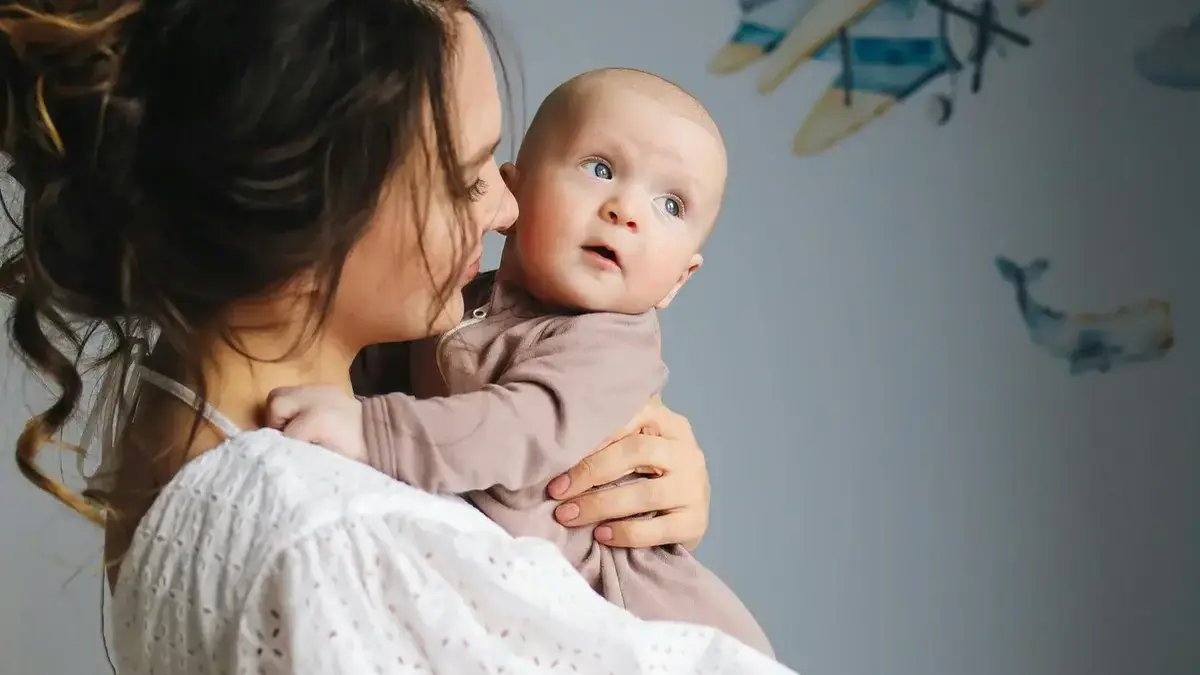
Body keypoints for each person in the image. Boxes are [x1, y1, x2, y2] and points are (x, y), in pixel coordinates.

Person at [0, 1, 797, 673]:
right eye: (469, 175)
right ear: (314, 218)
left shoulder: (179, 417)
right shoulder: (334, 540)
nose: (506, 210)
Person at [265, 67, 774, 656]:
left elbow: (515, 429)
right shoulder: (461, 301)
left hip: (637, 624)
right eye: (600, 168)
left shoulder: (608, 347)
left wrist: (369, 429)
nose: (627, 209)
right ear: (515, 193)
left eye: (670, 203)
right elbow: (375, 372)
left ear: (677, 281)